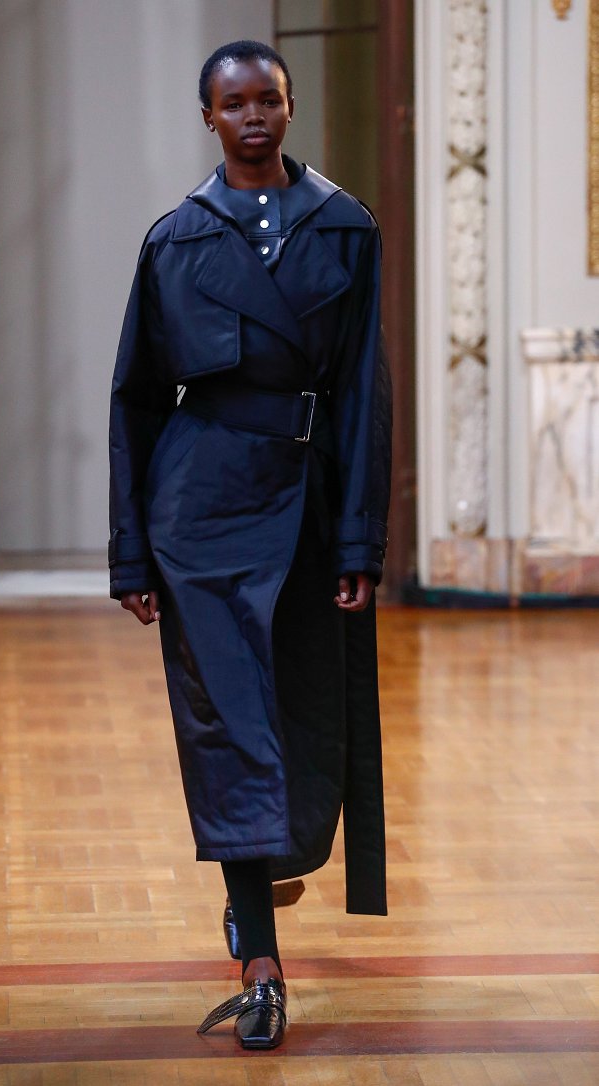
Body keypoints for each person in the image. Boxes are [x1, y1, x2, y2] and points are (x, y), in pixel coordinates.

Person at [108, 40, 392, 1050]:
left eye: (267, 97)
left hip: (308, 502)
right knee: (227, 728)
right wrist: (131, 554)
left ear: (289, 105)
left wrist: (360, 541)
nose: (253, 115)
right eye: (234, 104)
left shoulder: (345, 227)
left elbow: (364, 393)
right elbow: (137, 400)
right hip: (201, 511)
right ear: (209, 119)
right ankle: (260, 961)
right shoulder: (174, 241)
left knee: (305, 718)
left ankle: (265, 875)